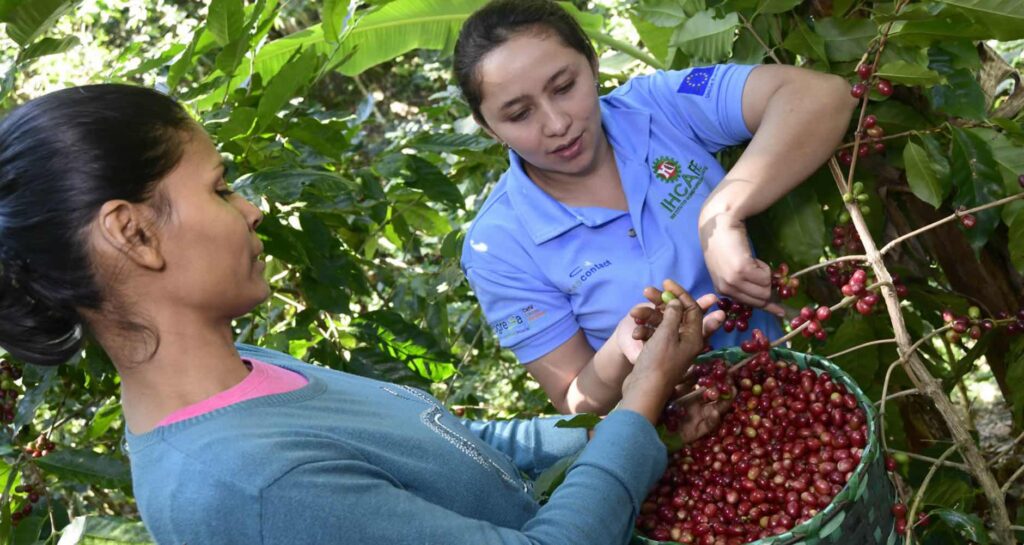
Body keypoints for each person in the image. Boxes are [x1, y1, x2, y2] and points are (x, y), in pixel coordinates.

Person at [0, 84, 729, 544]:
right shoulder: (246, 482)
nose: (251, 210)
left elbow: (449, 444)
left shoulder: (247, 371)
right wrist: (634, 414)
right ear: (134, 232)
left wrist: (634, 422)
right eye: (220, 189)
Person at [454, 0, 857, 415]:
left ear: (592, 64)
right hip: (677, 449)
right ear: (489, 129)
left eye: (564, 87)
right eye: (519, 114)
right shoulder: (498, 247)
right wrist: (621, 353)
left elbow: (821, 96)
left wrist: (719, 215)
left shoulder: (658, 107)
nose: (557, 124)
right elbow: (576, 402)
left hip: (786, 389)